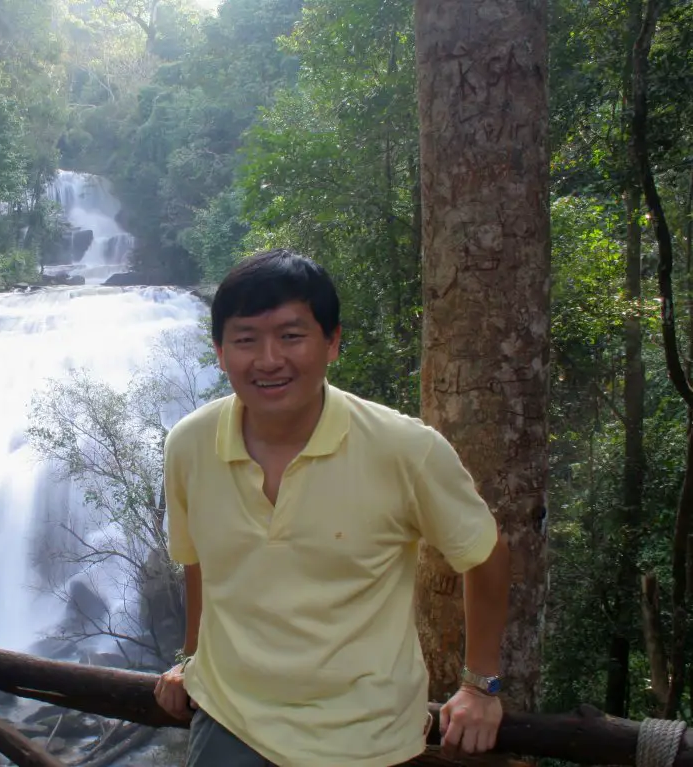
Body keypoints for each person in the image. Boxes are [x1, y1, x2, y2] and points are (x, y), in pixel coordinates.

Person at [152, 249, 511, 767]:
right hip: (231, 718)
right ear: (220, 351)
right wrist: (190, 658)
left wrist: (480, 685)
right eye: (246, 339)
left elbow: (486, 553)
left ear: (332, 342)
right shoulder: (189, 444)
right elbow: (198, 562)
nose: (269, 359)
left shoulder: (405, 449)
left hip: (365, 735)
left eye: (291, 336)